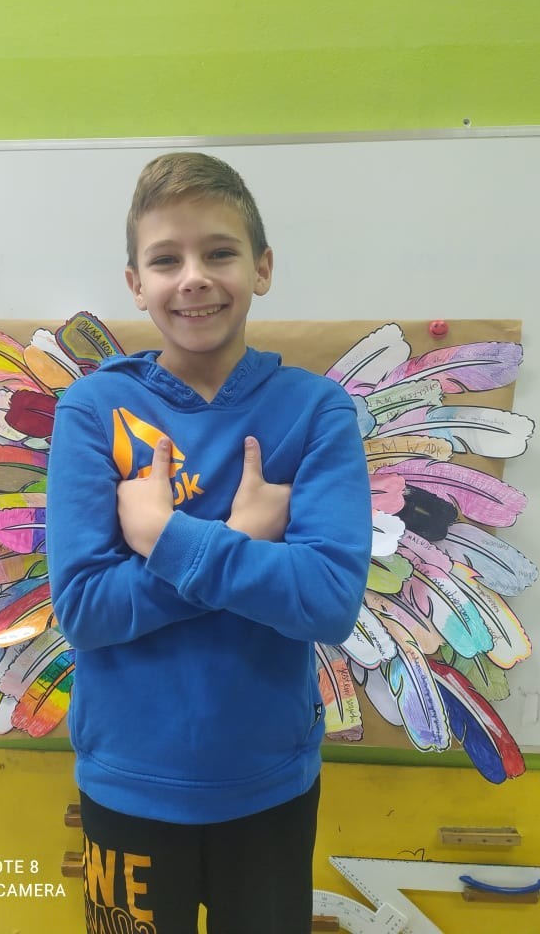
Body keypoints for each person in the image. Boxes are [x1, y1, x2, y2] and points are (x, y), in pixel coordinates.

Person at [47, 152, 372, 934]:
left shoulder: (316, 411)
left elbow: (328, 601)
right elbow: (84, 609)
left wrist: (162, 538)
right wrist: (238, 540)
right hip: (126, 785)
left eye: (219, 252)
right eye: (167, 260)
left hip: (268, 788)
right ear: (136, 283)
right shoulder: (94, 409)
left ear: (262, 267)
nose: (193, 278)